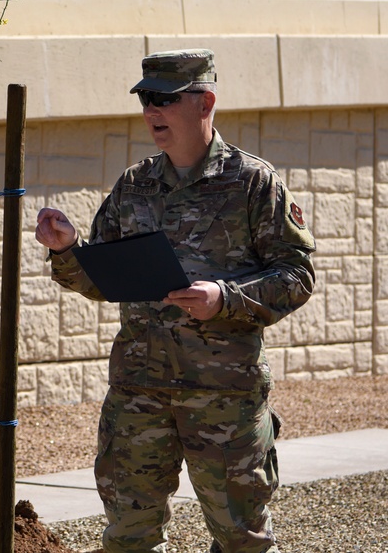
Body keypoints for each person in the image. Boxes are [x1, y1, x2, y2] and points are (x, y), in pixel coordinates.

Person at [35, 49, 315, 553]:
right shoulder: (133, 185)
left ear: (204, 101)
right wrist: (67, 251)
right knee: (128, 538)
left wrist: (223, 299)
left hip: (223, 397)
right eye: (145, 99)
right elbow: (104, 280)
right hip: (139, 393)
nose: (150, 112)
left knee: (242, 540)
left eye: (162, 99)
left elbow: (297, 275)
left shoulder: (253, 183)